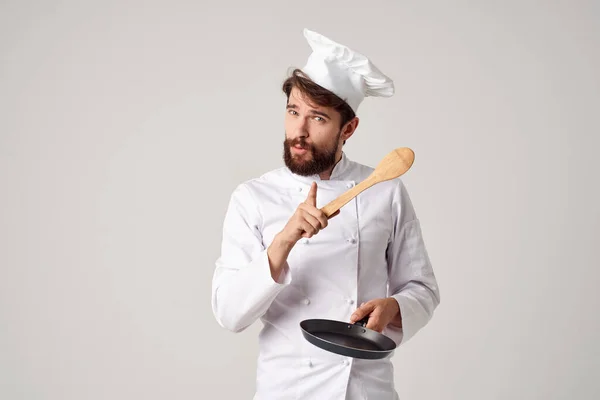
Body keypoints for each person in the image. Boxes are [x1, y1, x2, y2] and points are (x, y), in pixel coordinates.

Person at [211, 28, 440, 400]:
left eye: (317, 118)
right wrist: (283, 242)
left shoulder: (385, 190)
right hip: (286, 391)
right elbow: (229, 314)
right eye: (293, 112)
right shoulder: (253, 197)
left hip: (366, 389)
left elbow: (423, 288)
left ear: (347, 128)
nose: (298, 131)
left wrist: (394, 306)